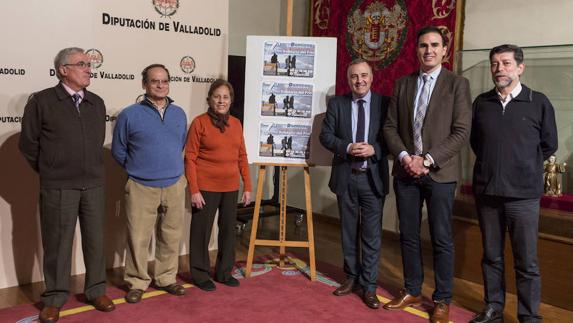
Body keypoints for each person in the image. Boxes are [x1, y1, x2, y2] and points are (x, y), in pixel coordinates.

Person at [382, 26, 472, 323]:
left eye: (435, 45)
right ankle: (411, 289)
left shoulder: (457, 84)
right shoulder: (403, 84)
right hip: (407, 171)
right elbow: (390, 127)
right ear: (416, 49)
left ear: (445, 50)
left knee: (441, 238)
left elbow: (461, 132)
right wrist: (407, 158)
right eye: (423, 45)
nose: (429, 50)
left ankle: (442, 299)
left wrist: (428, 159)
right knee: (407, 235)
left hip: (440, 173)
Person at [19, 47, 115, 322]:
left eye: (89, 64)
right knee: (58, 244)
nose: (89, 68)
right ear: (63, 69)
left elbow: (96, 142)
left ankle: (96, 290)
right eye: (82, 64)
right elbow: (28, 144)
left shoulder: (96, 102)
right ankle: (55, 297)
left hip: (94, 185)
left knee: (96, 241)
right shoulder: (42, 101)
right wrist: (50, 169)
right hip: (58, 186)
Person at [469, 44, 558, 323]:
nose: (499, 69)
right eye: (495, 64)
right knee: (492, 257)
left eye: (506, 63)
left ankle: (529, 316)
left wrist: (522, 167)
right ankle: (494, 308)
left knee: (527, 262)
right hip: (488, 194)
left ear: (520, 67)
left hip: (523, 197)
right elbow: (476, 142)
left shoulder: (539, 101)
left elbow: (549, 144)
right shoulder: (481, 102)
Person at [111, 64, 188, 304]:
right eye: (155, 81)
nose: (160, 85)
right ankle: (136, 282)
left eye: (164, 81)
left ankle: (166, 278)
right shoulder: (129, 114)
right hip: (141, 186)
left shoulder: (179, 113)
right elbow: (118, 150)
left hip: (175, 184)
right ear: (144, 84)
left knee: (171, 236)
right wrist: (139, 169)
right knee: (138, 237)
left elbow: (180, 145)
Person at [319, 58, 390, 309]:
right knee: (348, 232)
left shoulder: (384, 103)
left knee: (371, 236)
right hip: (345, 177)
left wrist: (375, 149)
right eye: (354, 77)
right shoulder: (338, 104)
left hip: (372, 179)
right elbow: (325, 136)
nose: (359, 81)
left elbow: (392, 138)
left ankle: (369, 286)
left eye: (363, 75)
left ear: (371, 77)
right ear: (348, 80)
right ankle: (351, 278)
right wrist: (347, 147)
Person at [185, 79, 252, 291]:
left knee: (228, 232)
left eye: (225, 97)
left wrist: (247, 186)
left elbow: (242, 155)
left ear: (231, 100)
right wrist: (194, 190)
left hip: (230, 186)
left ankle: (224, 272)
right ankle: (200, 274)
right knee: (201, 232)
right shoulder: (199, 123)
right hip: (205, 187)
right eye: (217, 96)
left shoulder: (236, 123)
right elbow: (190, 158)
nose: (221, 100)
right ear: (209, 99)